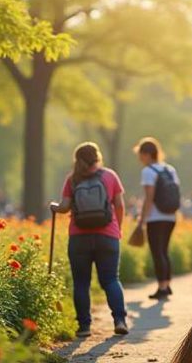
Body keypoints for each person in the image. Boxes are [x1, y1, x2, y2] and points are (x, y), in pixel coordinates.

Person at [50, 142, 129, 338]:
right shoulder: (110, 176)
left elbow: (64, 207)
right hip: (107, 236)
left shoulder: (72, 179)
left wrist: (54, 206)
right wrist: (117, 229)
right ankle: (119, 320)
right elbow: (119, 206)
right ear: (97, 157)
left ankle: (84, 327)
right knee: (111, 279)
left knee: (81, 282)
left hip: (79, 238)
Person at [133, 137, 181, 300]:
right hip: (171, 216)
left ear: (147, 154)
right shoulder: (169, 169)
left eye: (140, 154)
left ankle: (161, 287)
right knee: (164, 251)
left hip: (155, 217)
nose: (139, 158)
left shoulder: (148, 171)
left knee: (157, 252)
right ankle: (166, 285)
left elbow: (149, 197)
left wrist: (141, 220)